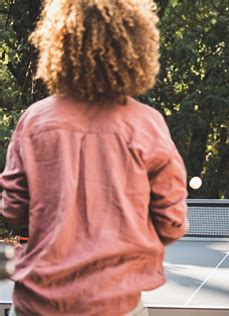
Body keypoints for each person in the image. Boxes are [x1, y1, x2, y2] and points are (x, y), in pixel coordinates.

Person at [0, 0, 188, 315]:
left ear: (58, 43)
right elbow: (172, 223)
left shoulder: (34, 121)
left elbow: (12, 210)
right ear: (135, 47)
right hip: (115, 305)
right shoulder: (147, 125)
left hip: (38, 303)